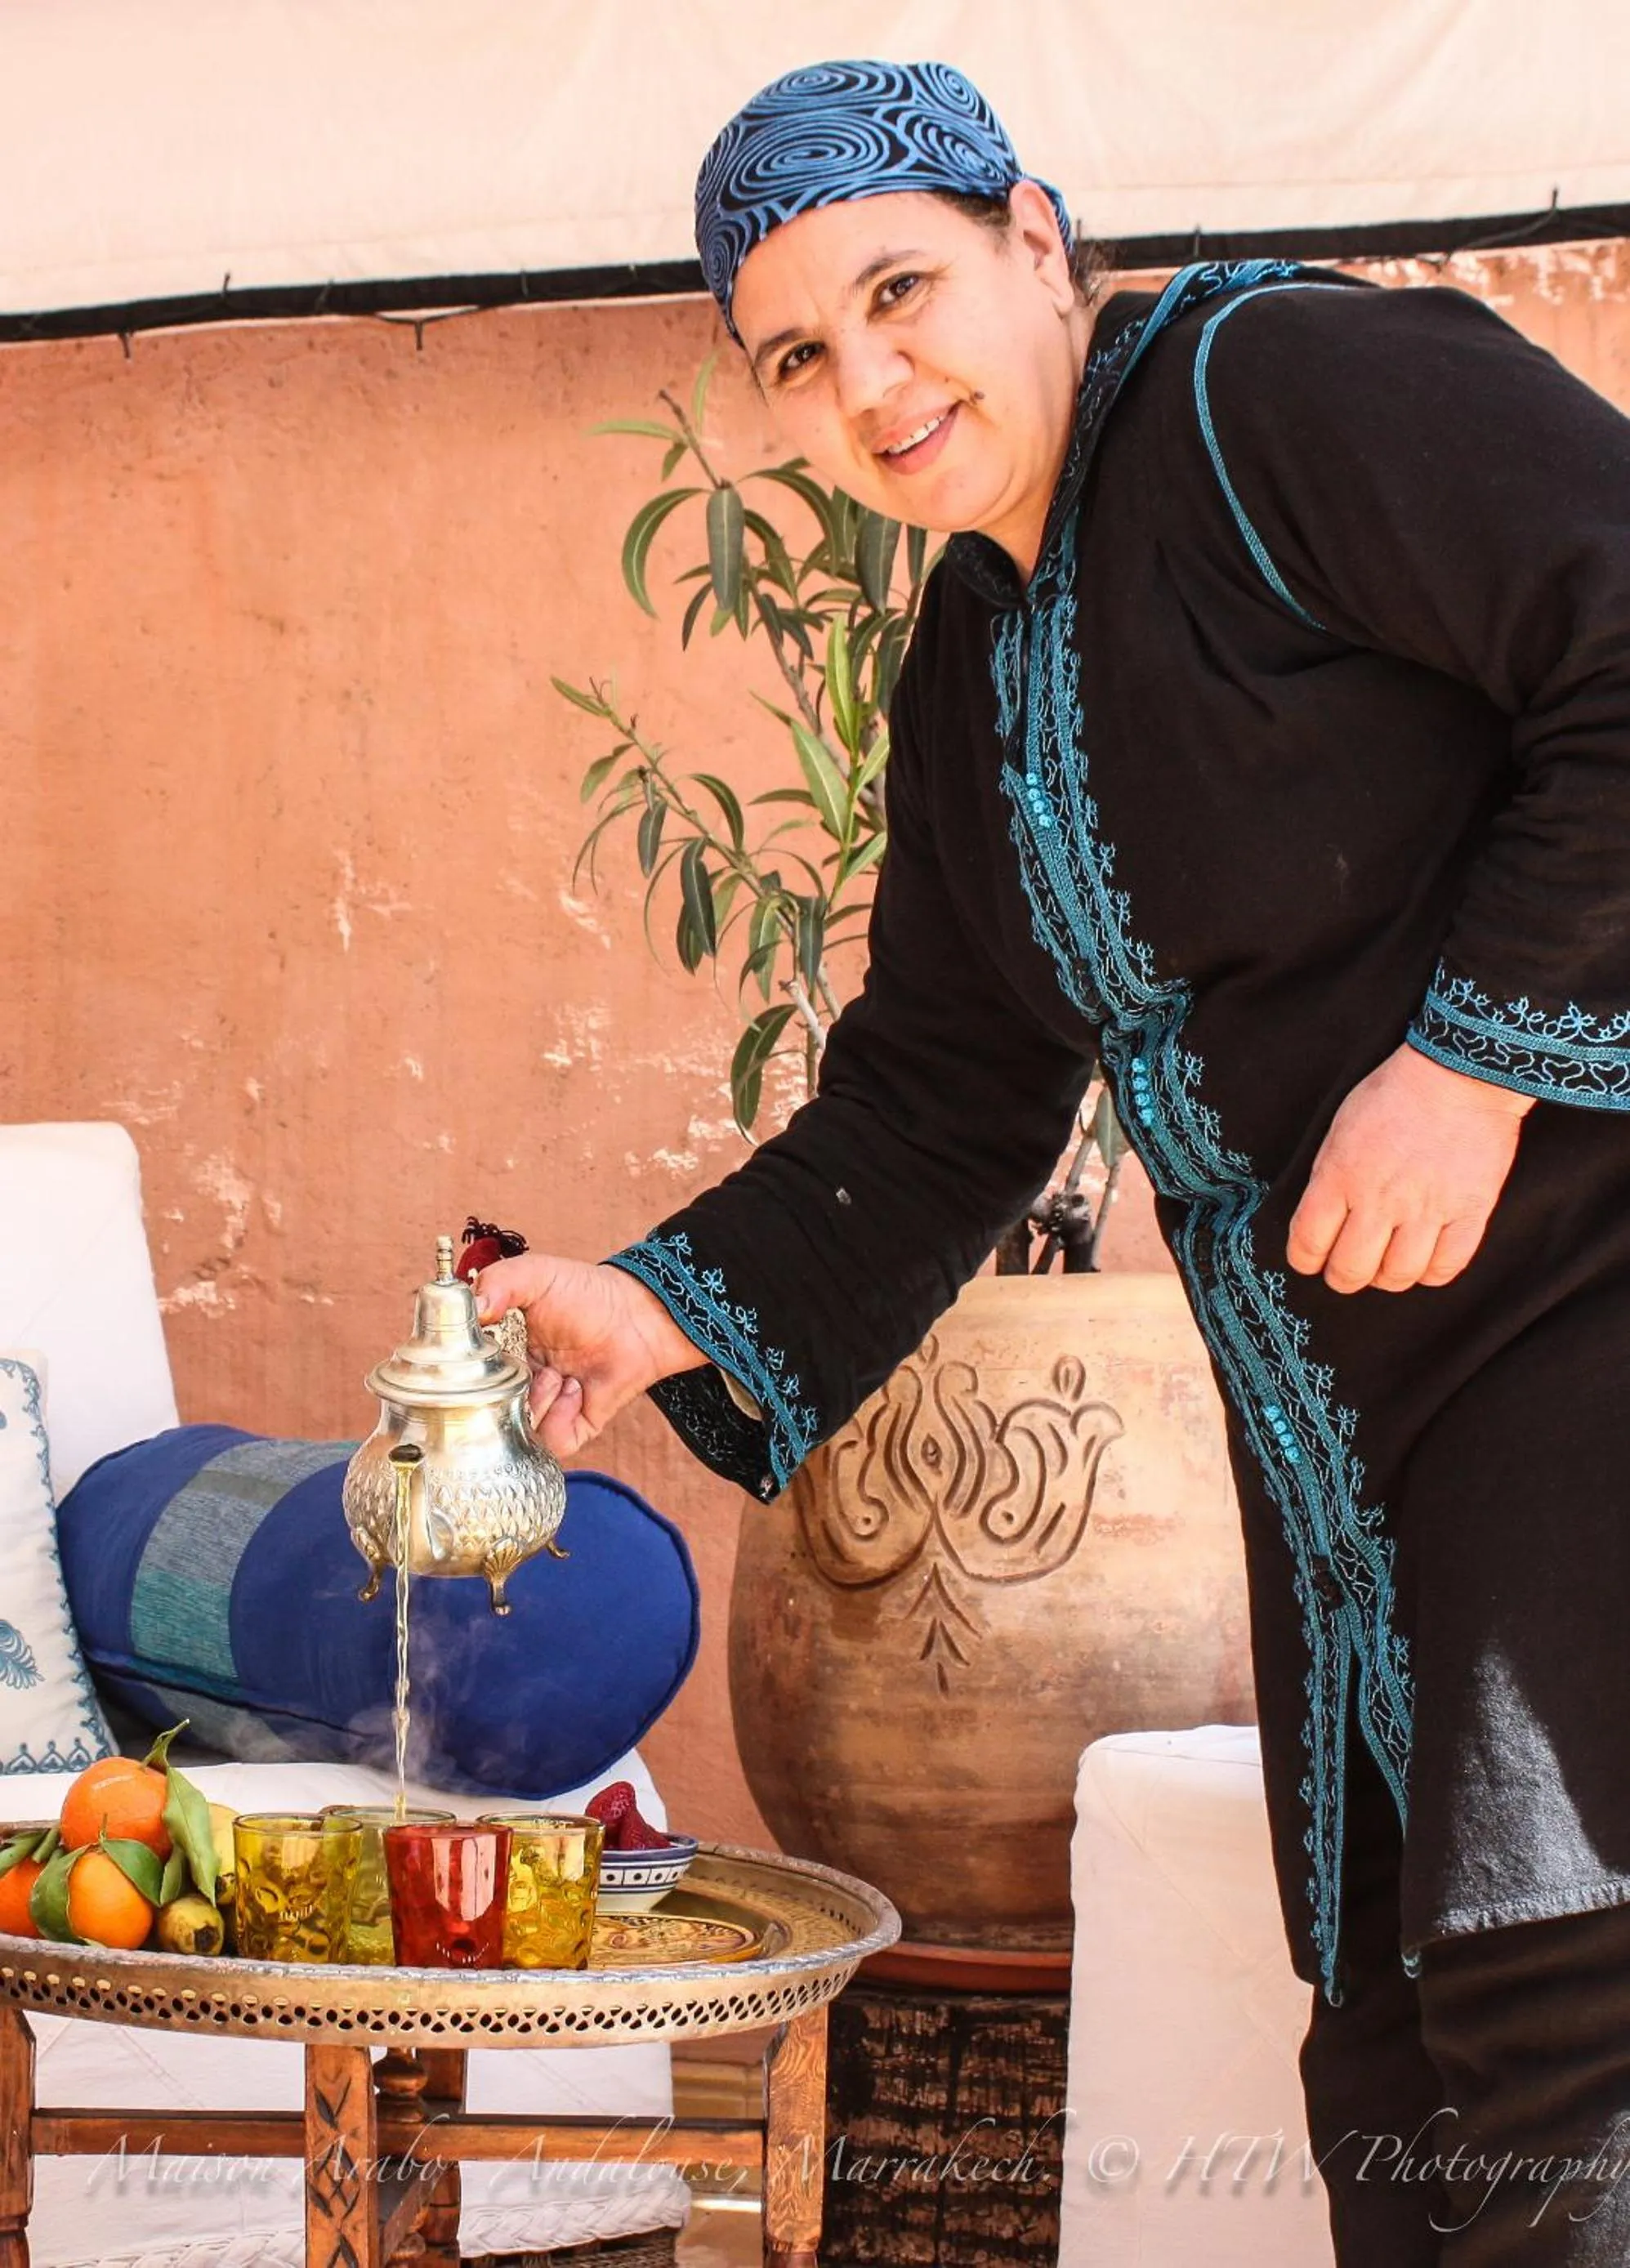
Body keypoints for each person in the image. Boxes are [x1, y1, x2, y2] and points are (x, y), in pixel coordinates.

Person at [480, 59, 1630, 2265]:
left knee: (1572, 2017)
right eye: (796, 357)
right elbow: (943, 1095)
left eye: (900, 291)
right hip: (1352, 1456)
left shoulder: (1273, 393)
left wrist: (1471, 1064)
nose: (868, 385)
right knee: (1398, 2062)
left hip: (1582, 1332)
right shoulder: (972, 664)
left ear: (1033, 235)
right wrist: (644, 1308)